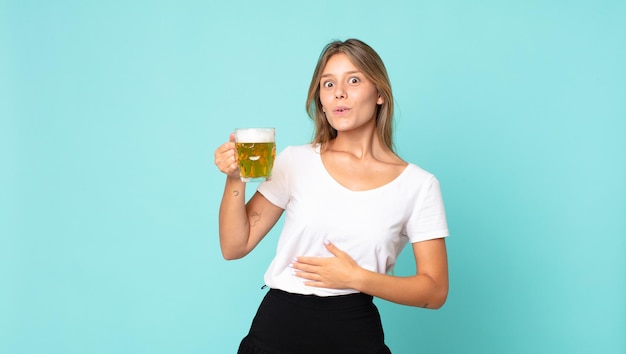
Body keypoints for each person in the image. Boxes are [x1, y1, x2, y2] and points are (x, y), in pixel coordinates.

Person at [214, 38, 449, 354]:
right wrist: (235, 179)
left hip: (354, 332)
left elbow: (434, 291)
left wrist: (357, 277)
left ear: (379, 94)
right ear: (321, 101)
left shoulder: (419, 185)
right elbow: (234, 246)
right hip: (276, 332)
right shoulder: (294, 161)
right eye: (328, 83)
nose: (339, 92)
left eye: (353, 80)